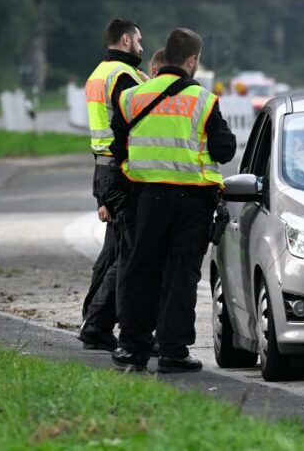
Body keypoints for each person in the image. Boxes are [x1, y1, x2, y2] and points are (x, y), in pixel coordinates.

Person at [112, 27, 236, 372]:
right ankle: (173, 352)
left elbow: (116, 146)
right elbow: (224, 150)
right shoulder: (203, 100)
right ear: (192, 60)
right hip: (193, 202)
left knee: (141, 270)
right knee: (181, 276)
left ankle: (133, 348)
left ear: (164, 57)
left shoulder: (133, 97)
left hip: (147, 198)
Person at [79, 19, 149, 352]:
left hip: (103, 167)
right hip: (121, 168)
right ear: (125, 39)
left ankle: (92, 322)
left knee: (113, 252)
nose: (141, 46)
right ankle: (96, 323)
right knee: (130, 253)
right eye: (138, 39)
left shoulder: (98, 73)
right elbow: (132, 121)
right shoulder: (122, 76)